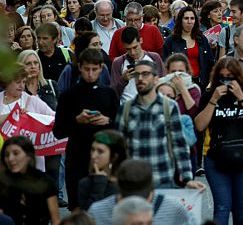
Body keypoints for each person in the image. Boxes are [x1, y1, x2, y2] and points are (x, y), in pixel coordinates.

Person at [194, 57, 243, 225]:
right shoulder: (209, 96)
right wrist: (213, 100)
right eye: (222, 76)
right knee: (223, 206)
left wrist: (241, 97)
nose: (226, 80)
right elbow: (200, 125)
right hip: (216, 158)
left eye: (230, 77)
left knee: (241, 207)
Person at [53, 48, 120, 211]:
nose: (90, 74)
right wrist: (76, 120)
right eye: (86, 69)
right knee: (78, 209)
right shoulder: (68, 95)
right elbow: (58, 131)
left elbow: (120, 129)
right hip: (77, 157)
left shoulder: (109, 94)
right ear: (80, 67)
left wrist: (107, 120)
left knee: (106, 208)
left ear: (101, 67)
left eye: (94, 69)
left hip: (104, 160)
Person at [115, 59, 194, 189]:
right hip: (133, 182)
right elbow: (118, 150)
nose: (140, 78)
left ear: (156, 78)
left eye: (145, 74)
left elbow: (179, 144)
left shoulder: (169, 106)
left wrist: (187, 178)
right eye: (137, 74)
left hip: (162, 180)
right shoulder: (125, 109)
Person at [87, 159, 196, 224]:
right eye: (129, 197)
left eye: (142, 197)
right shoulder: (97, 212)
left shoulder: (175, 207)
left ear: (152, 189)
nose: (136, 202)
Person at [0, 136, 60, 225]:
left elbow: (56, 220)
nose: (10, 159)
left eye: (16, 153)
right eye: (7, 155)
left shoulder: (46, 182)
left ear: (29, 155)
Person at [163, 6, 216, 88]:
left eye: (192, 18)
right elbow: (165, 64)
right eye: (186, 18)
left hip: (200, 83)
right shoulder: (170, 41)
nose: (189, 21)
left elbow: (210, 62)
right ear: (180, 20)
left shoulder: (201, 39)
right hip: (178, 84)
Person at [77, 130, 129, 211]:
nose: (93, 156)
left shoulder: (127, 182)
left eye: (100, 151)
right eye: (92, 149)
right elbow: (89, 216)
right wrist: (99, 183)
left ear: (114, 156)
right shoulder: (86, 183)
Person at [111, 26, 165, 101]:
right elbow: (113, 94)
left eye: (135, 47)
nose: (132, 52)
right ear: (123, 46)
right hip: (127, 108)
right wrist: (123, 80)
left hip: (152, 105)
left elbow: (163, 83)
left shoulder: (154, 58)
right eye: (128, 49)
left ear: (141, 41)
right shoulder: (118, 63)